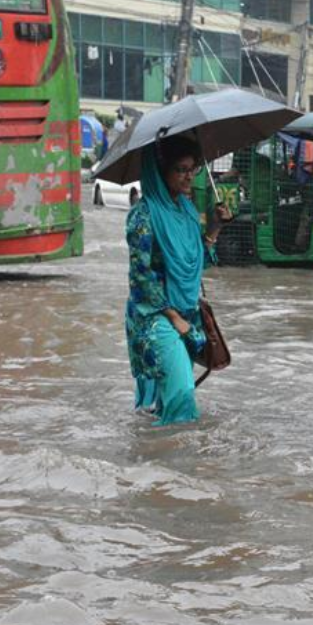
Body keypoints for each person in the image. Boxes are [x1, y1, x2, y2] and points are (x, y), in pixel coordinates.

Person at [125, 135, 230, 426]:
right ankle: (181, 464)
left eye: (192, 168)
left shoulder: (185, 211)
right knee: (182, 393)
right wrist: (174, 318)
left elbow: (195, 265)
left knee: (167, 399)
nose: (189, 176)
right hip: (156, 315)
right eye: (181, 169)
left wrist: (215, 228)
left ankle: (159, 463)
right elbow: (140, 276)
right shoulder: (142, 216)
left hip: (185, 312)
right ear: (161, 171)